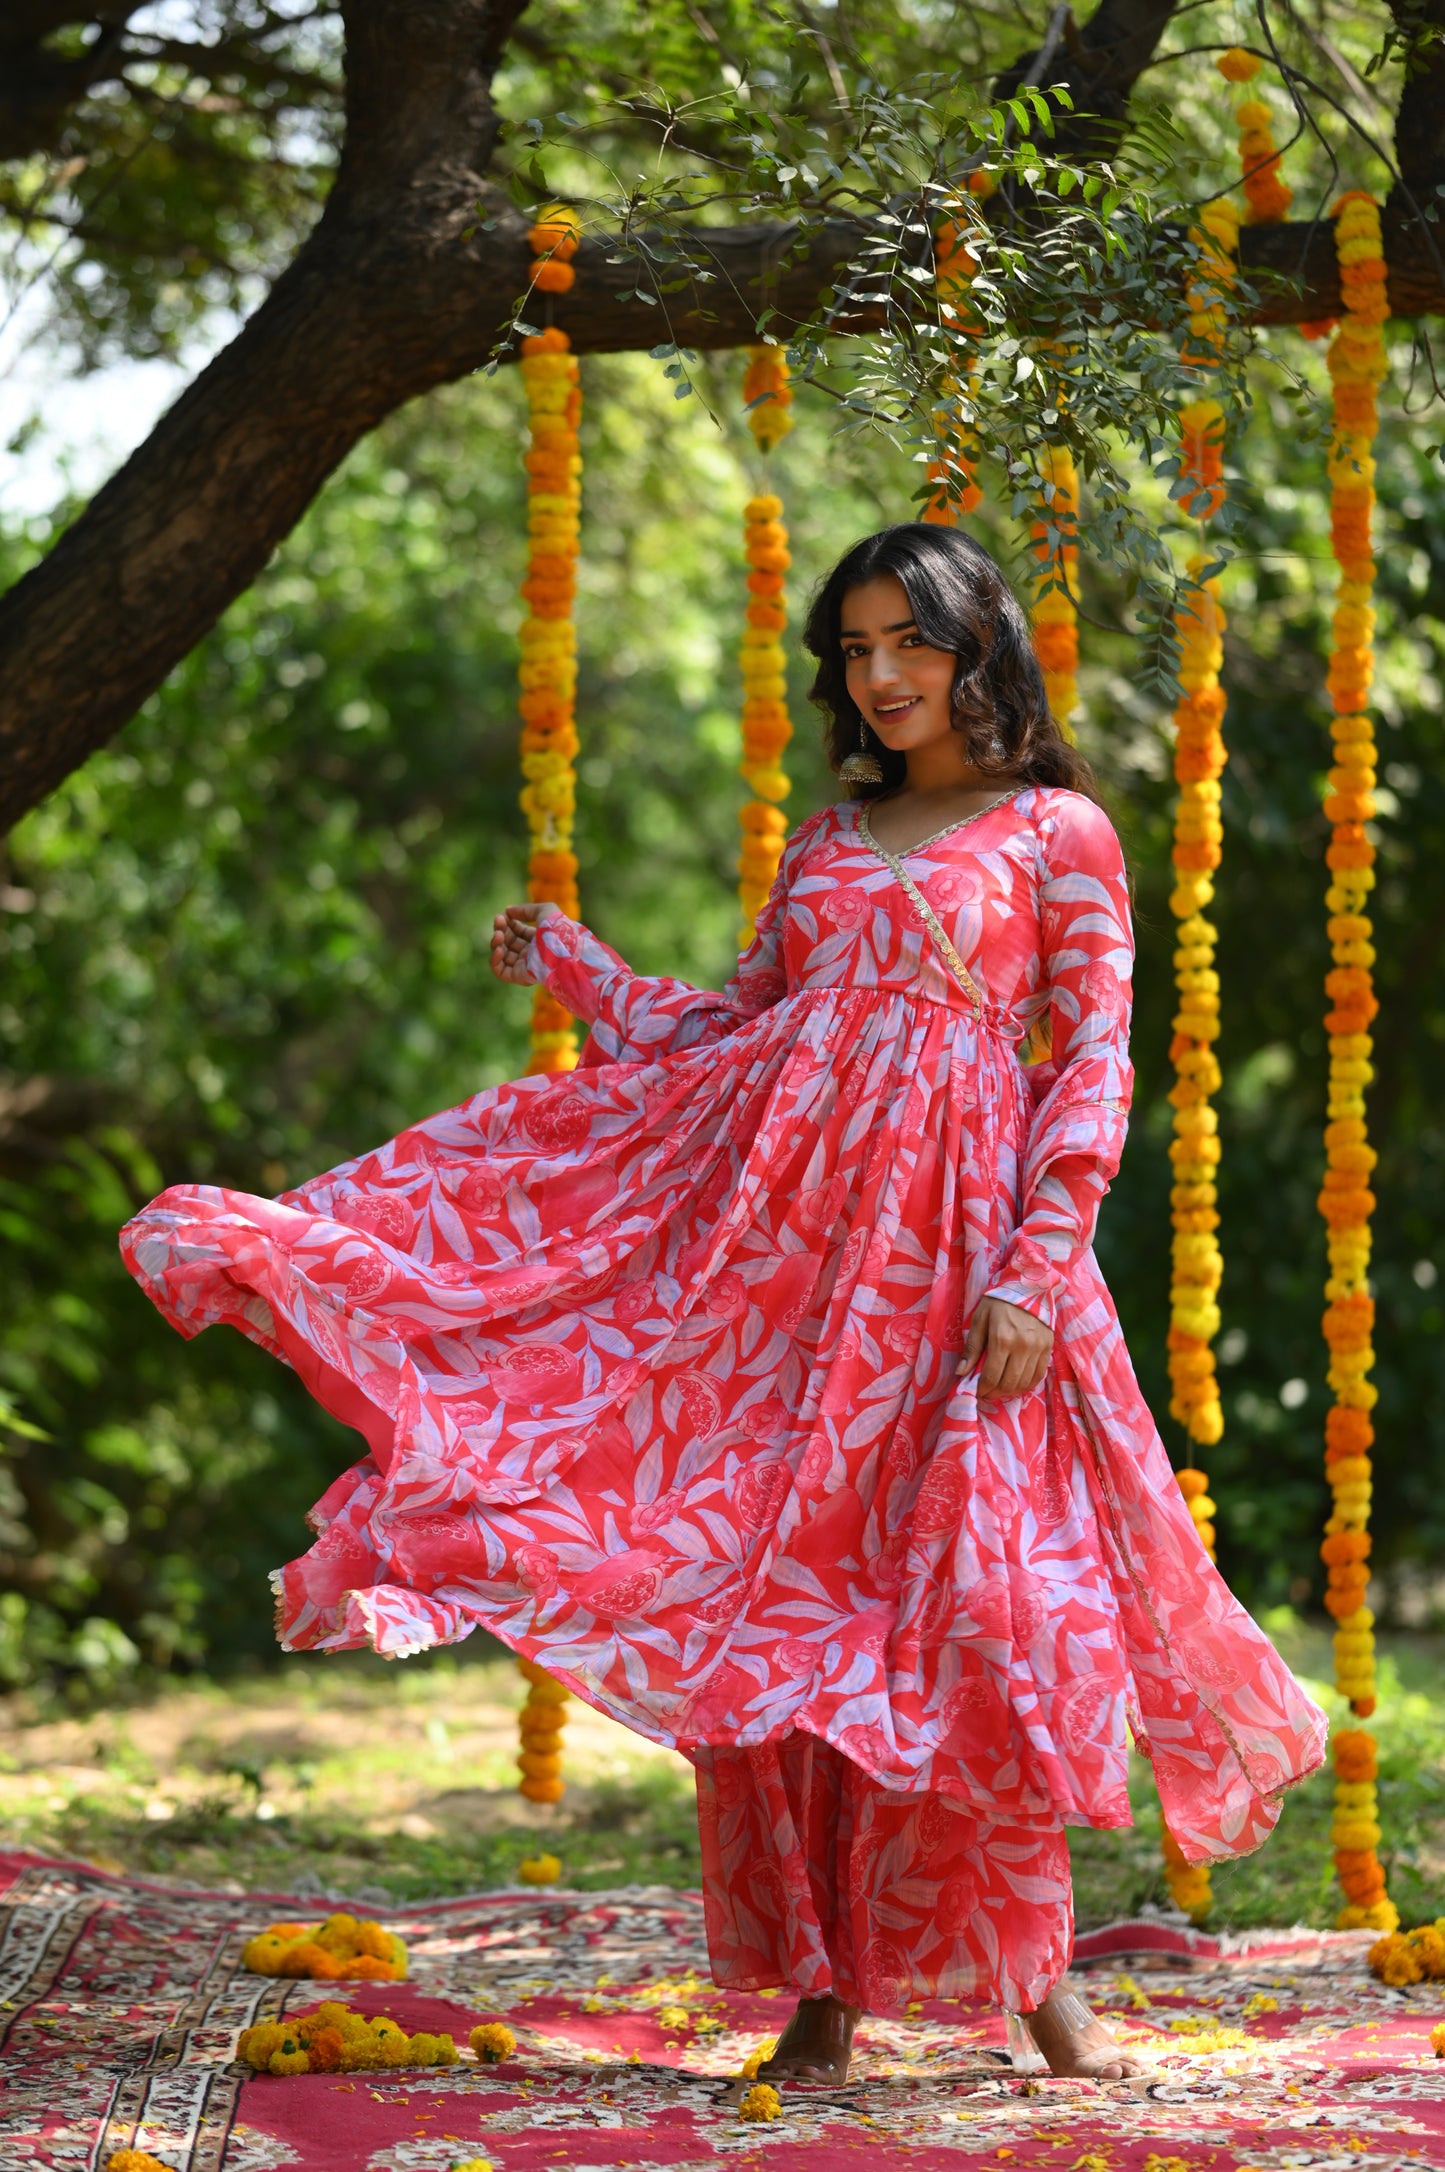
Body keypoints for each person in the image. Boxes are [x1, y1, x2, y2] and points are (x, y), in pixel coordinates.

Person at [121, 522, 1325, 2088]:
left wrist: (1037, 1266)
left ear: (977, 651)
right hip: (793, 1279)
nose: (878, 675)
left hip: (964, 1268)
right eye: (853, 649)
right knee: (795, 1602)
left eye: (909, 642)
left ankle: (1034, 1983)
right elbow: (729, 1041)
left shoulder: (1054, 835)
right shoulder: (827, 842)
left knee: (969, 1608)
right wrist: (584, 973)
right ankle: (820, 1986)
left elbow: (1088, 1064)